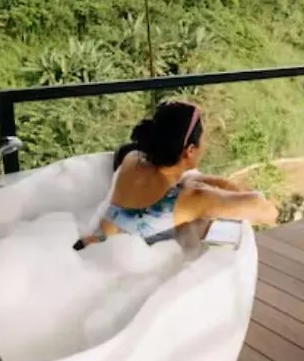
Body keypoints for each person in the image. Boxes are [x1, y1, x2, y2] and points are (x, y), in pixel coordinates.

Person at [74, 100, 277, 250]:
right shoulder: (193, 199)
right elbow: (268, 213)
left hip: (90, 248)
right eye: (204, 140)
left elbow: (177, 181)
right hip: (116, 266)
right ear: (190, 150)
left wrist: (203, 184)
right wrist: (223, 190)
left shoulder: (132, 159)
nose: (206, 145)